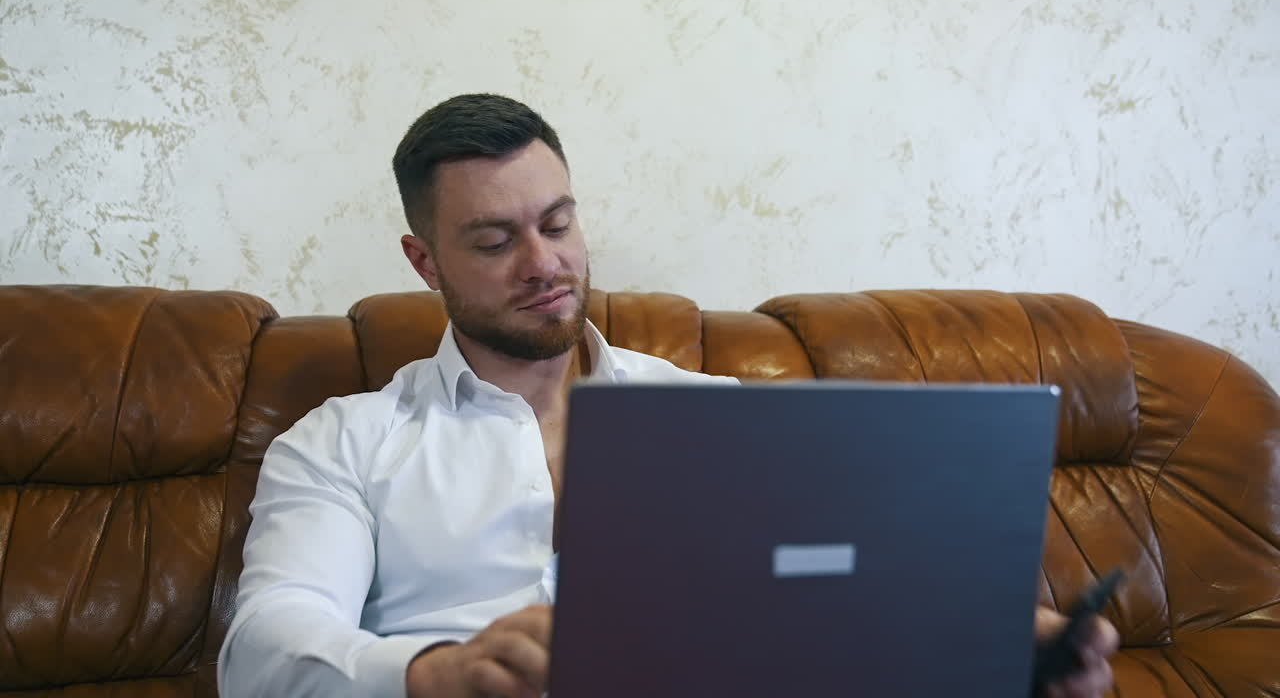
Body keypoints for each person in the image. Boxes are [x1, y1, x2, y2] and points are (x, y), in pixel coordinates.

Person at [217, 93, 1120, 698]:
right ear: (424, 262)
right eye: (494, 241)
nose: (545, 265)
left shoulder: (715, 413)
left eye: (558, 224)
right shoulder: (344, 440)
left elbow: (847, 585)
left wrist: (1002, 636)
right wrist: (437, 672)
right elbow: (262, 646)